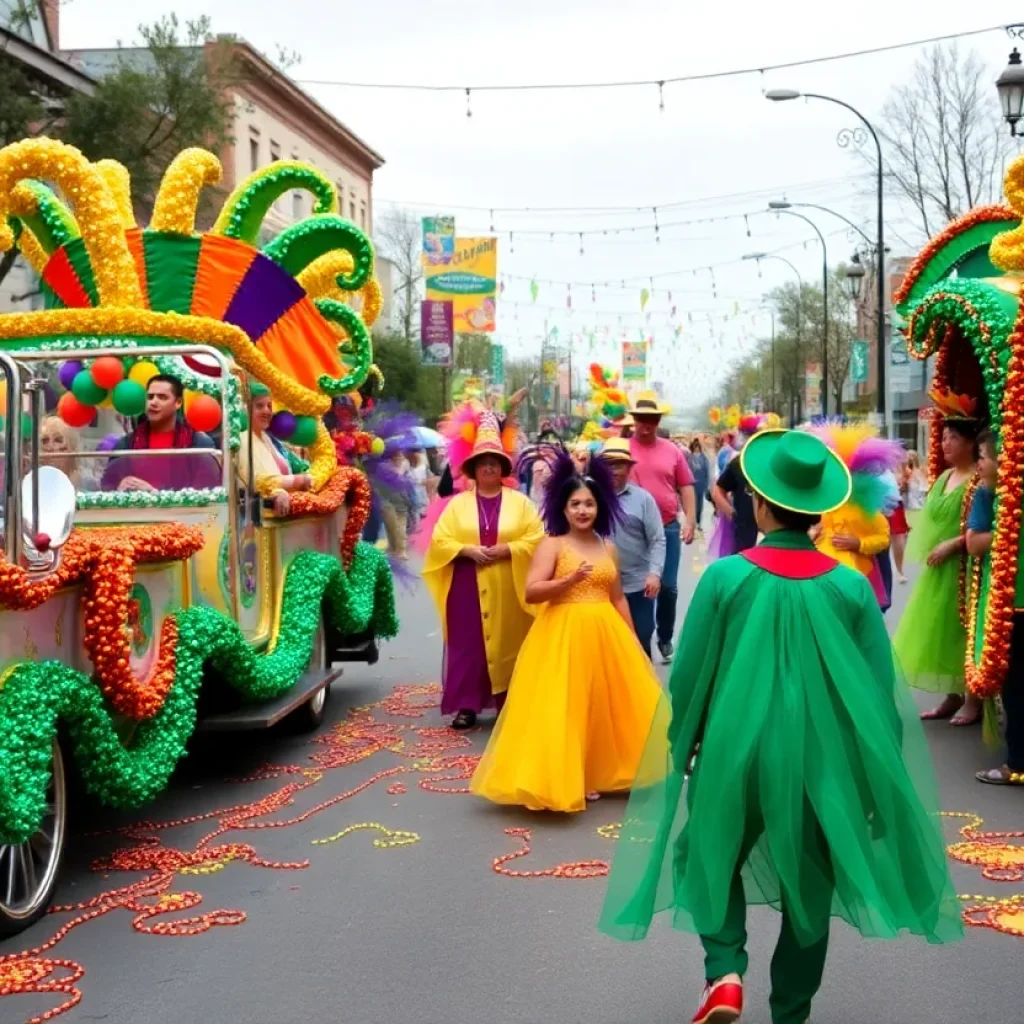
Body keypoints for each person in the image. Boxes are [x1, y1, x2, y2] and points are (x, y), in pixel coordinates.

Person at [599, 429, 963, 1024]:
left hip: (733, 749)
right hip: (825, 761)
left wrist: (684, 743)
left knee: (706, 856)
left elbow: (690, 678)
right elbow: (878, 695)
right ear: (818, 509)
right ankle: (790, 1011)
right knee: (810, 886)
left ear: (761, 506)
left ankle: (726, 973)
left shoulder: (725, 579)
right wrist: (876, 776)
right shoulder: (849, 586)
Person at [469, 448, 664, 812]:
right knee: (569, 705)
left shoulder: (608, 547)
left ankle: (605, 771)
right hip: (562, 634)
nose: (582, 511)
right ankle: (570, 776)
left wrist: (633, 639)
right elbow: (532, 590)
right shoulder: (552, 545)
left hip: (607, 633)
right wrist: (568, 581)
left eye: (588, 504)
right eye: (575, 504)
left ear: (599, 507)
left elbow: (617, 596)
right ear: (563, 508)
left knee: (605, 706)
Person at [423, 413, 544, 729]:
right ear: (474, 469)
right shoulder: (457, 505)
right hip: (466, 584)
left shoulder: (521, 503)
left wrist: (508, 549)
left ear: (502, 469)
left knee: (510, 640)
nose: (489, 467)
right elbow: (440, 539)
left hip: (508, 581)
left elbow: (536, 536)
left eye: (494, 462)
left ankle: (509, 701)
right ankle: (466, 705)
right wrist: (467, 550)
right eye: (483, 462)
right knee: (467, 645)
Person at [893, 417, 979, 725]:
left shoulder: (978, 480)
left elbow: (981, 525)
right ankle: (951, 695)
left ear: (970, 442)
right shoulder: (943, 477)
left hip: (966, 566)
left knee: (963, 629)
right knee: (940, 630)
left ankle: (973, 698)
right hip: (939, 567)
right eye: (942, 437)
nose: (945, 444)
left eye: (952, 438)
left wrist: (952, 545)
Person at [967, 430, 1024, 787]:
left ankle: (1017, 764)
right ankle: (1017, 760)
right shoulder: (986, 495)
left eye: (985, 456)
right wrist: (1008, 530)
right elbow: (974, 543)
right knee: (1016, 684)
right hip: (1008, 605)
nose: (979, 464)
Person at [627, 391, 696, 663]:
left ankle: (665, 637)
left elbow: (686, 486)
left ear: (658, 422)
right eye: (642, 419)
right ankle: (637, 639)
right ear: (634, 421)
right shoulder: (622, 448)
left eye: (652, 420)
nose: (646, 424)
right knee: (635, 586)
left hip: (667, 528)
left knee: (667, 586)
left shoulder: (672, 451)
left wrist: (689, 520)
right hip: (630, 531)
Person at [601, 438, 666, 658]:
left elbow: (658, 538)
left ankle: (645, 690)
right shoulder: (589, 498)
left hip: (638, 586)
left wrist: (654, 574)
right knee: (609, 647)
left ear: (629, 468)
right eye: (608, 464)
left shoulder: (643, 499)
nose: (613, 470)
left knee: (640, 639)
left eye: (618, 464)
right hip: (601, 587)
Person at [101, 374, 220, 492]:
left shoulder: (198, 443)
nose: (153, 402)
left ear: (178, 403)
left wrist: (153, 493)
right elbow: (107, 486)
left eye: (162, 397)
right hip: (137, 511)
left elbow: (207, 494)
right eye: (150, 397)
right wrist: (119, 486)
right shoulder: (127, 443)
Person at [237, 381, 312, 515]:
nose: (267, 411)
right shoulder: (242, 440)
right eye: (259, 406)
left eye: (269, 406)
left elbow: (297, 466)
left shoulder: (269, 439)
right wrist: (294, 481)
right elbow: (254, 480)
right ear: (245, 408)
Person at [687, 437, 711, 531]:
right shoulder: (689, 458)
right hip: (692, 484)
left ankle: (698, 522)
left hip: (701, 484)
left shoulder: (703, 458)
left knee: (700, 504)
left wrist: (707, 484)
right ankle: (692, 523)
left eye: (698, 446)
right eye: (695, 446)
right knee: (692, 504)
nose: (696, 448)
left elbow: (707, 471)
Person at [904, 450, 928, 527]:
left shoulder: (919, 471)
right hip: (910, 506)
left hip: (918, 506)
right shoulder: (908, 473)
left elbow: (924, 487)